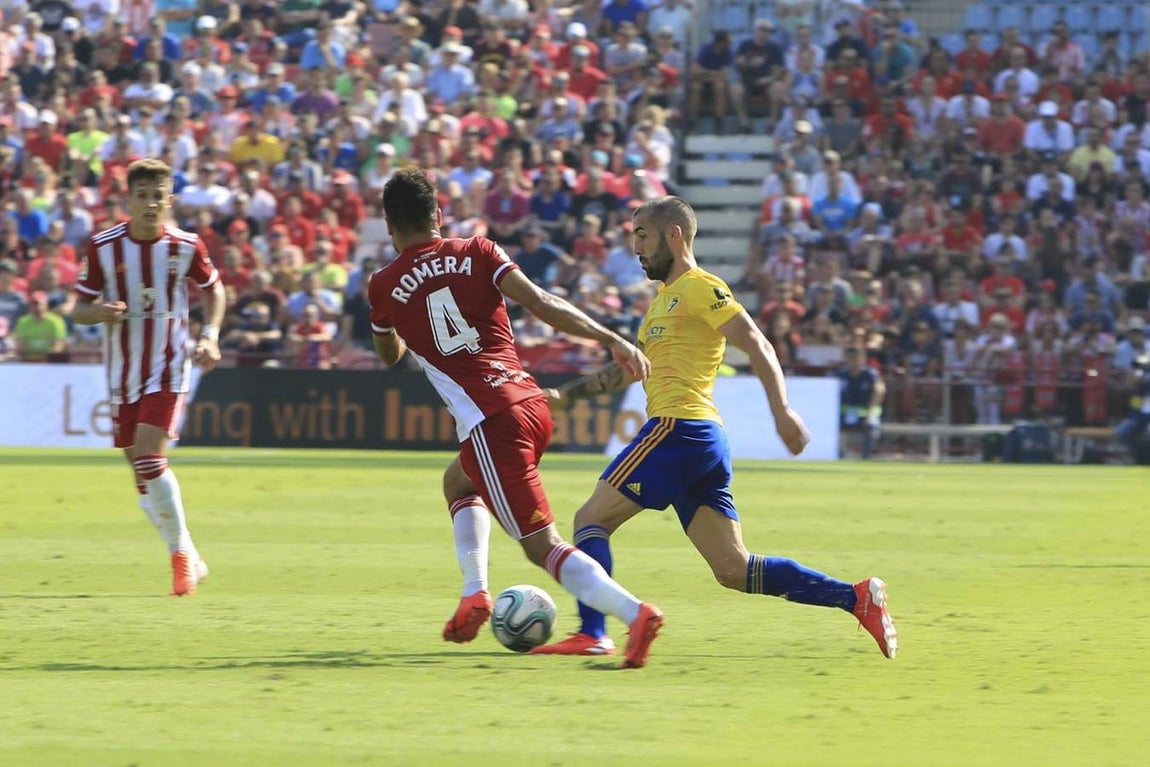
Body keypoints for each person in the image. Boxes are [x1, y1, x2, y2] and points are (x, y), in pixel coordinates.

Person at [531, 196, 898, 659]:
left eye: (642, 235)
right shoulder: (663, 302)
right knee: (733, 568)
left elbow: (757, 343)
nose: (635, 247)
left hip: (679, 428)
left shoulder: (702, 287)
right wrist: (567, 396)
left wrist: (781, 410)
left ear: (674, 235)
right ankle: (857, 597)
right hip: (698, 441)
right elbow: (629, 370)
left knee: (590, 520)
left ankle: (592, 632)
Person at [366, 168, 664, 669]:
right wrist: (611, 339)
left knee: (541, 546)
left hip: (491, 422)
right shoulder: (480, 251)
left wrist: (396, 318)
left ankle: (635, 615)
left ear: (391, 227)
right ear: (439, 215)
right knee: (458, 483)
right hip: (530, 404)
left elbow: (388, 353)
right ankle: (475, 594)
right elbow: (542, 303)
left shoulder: (383, 285)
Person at [72, 158, 226, 597]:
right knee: (141, 474)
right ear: (129, 199)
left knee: (149, 459)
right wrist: (97, 312)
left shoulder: (185, 246)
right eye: (142, 196)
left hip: (168, 365)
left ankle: (179, 555)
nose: (150, 205)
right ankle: (190, 555)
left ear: (170, 200)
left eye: (158, 196)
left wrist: (209, 335)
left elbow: (214, 287)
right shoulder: (103, 247)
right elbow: (78, 308)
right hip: (122, 371)